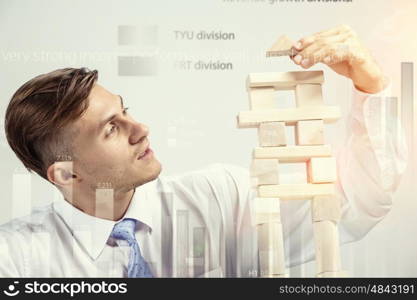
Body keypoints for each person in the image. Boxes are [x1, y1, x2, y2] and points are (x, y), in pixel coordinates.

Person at [0, 25, 407, 277]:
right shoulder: (15, 260)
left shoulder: (219, 198)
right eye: (111, 128)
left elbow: (356, 203)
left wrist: (371, 83)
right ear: (66, 174)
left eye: (125, 111)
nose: (141, 129)